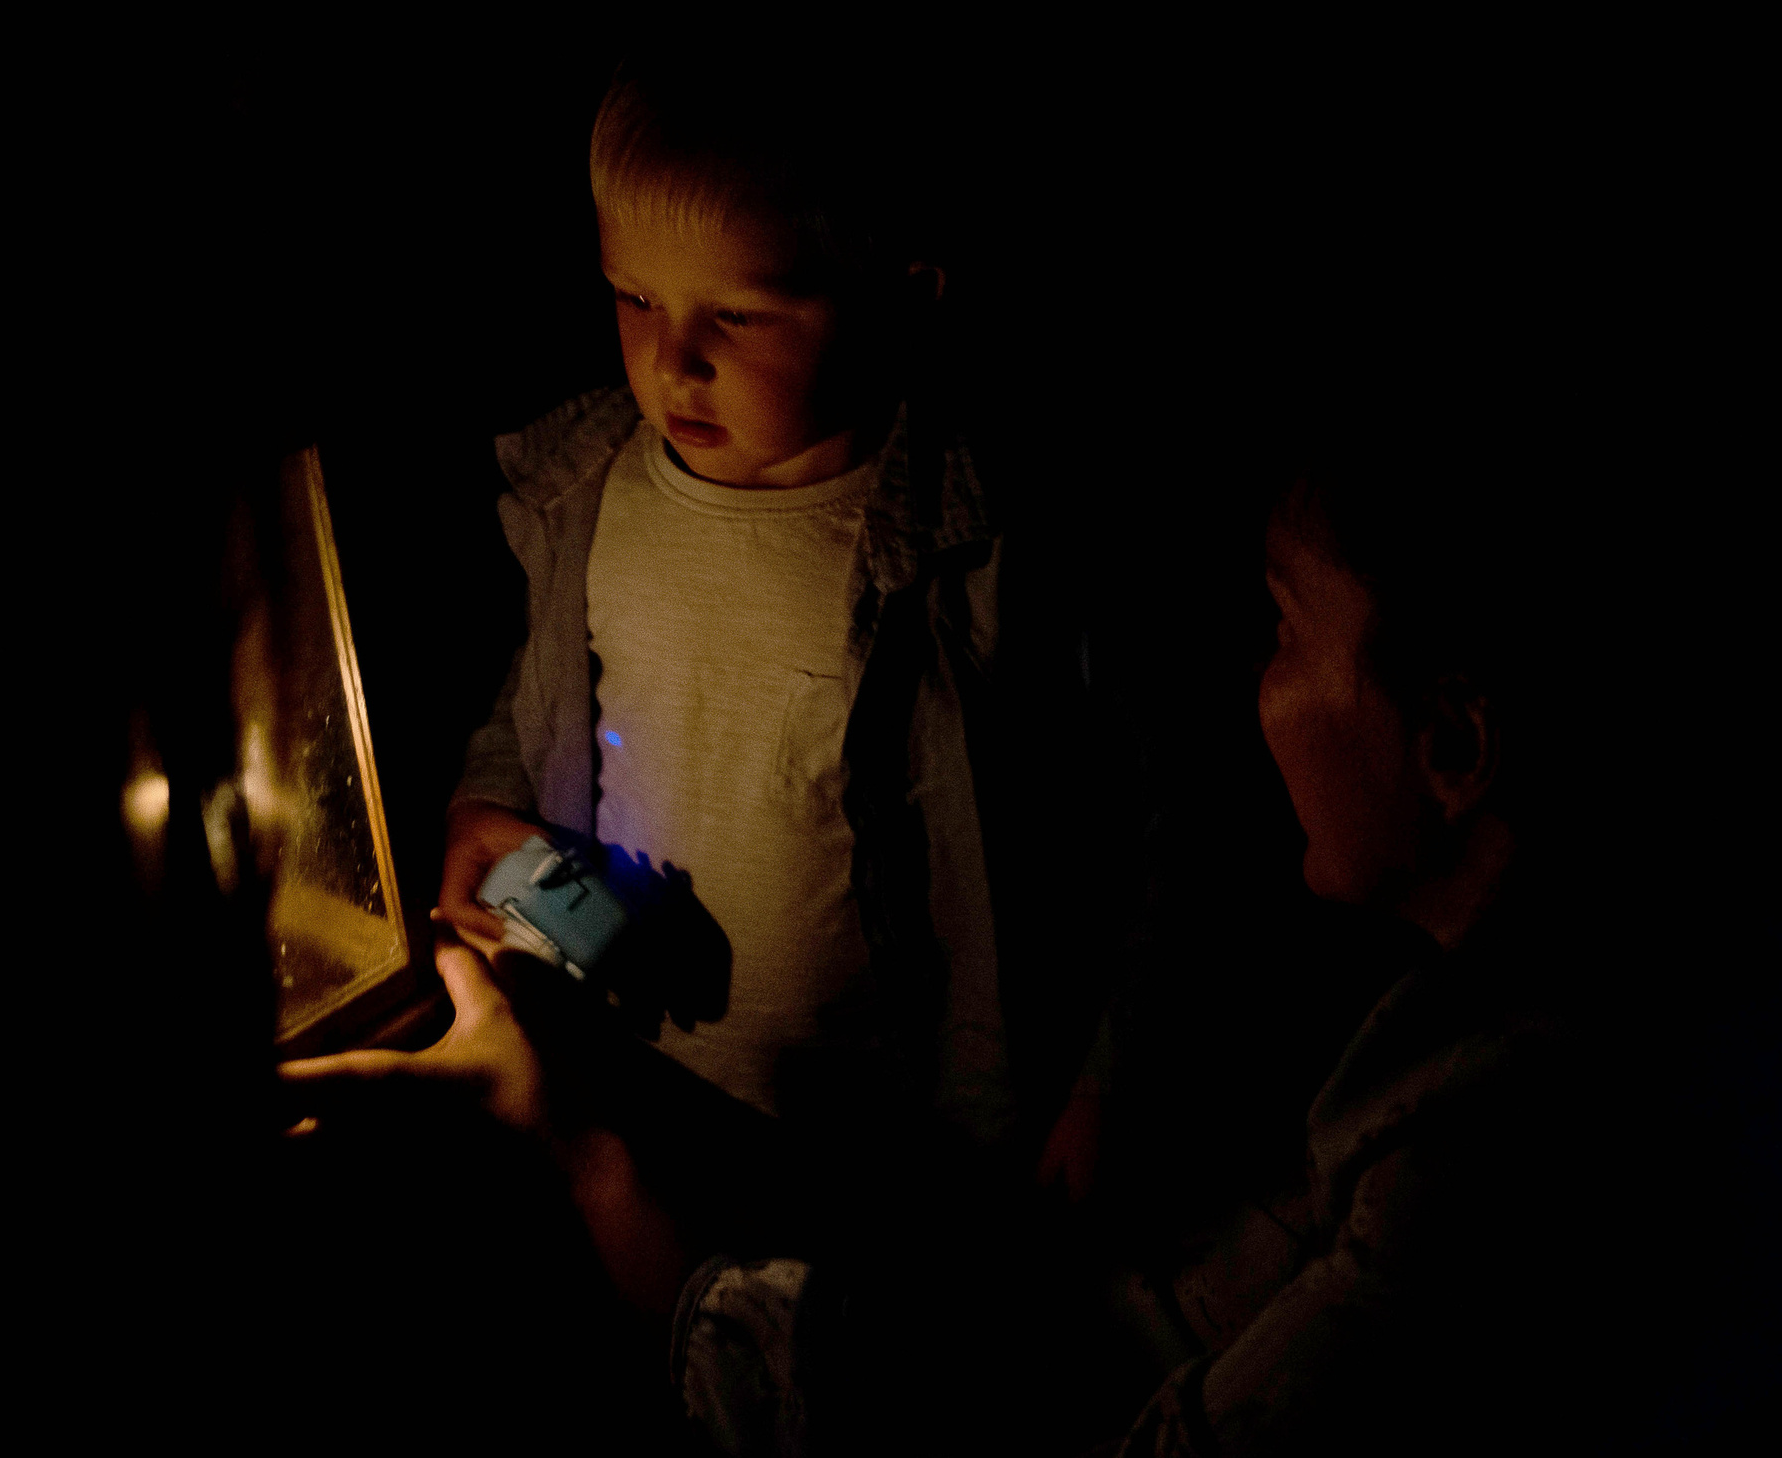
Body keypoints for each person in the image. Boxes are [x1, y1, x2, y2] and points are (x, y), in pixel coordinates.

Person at [286, 394, 1737, 1452]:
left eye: (1288, 633)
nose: (1251, 683)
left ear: (1457, 749)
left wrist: (586, 1164)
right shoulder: (1424, 1050)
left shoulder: (1499, 1166)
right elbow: (1132, 1340)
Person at [424, 35, 1130, 1286]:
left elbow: (1114, 826)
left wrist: (1101, 1074)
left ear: (904, 294)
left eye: (735, 315)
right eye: (632, 296)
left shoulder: (973, 559)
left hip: (896, 1154)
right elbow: (543, 694)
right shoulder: (584, 497)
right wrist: (490, 794)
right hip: (640, 1084)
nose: (669, 357)